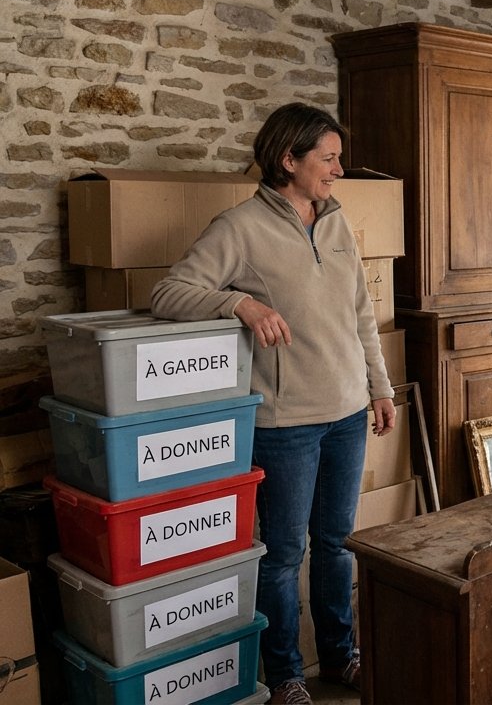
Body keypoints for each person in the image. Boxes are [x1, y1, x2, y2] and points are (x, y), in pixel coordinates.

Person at [152, 102, 395, 705]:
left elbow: (361, 316)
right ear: (289, 159)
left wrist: (380, 387)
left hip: (345, 413)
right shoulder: (238, 227)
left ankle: (342, 655)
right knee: (285, 554)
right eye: (329, 158)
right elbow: (168, 291)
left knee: (338, 544)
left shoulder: (337, 222)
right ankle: (286, 674)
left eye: (339, 158)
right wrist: (239, 304)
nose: (339, 169)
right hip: (284, 423)